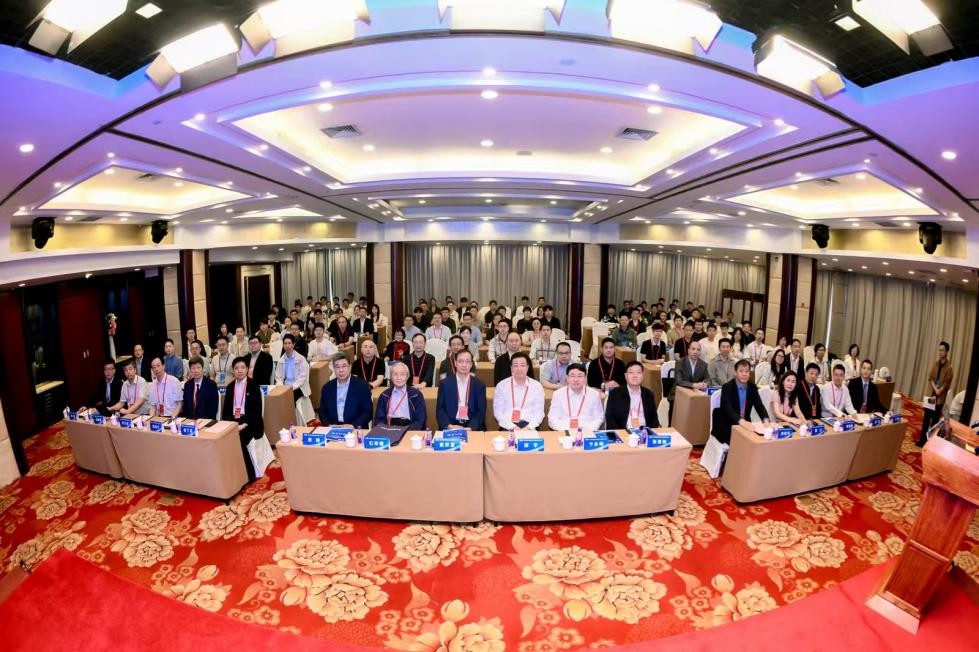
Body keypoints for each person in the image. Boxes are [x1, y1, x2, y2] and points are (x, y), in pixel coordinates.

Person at [222, 356, 265, 482]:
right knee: (221, 437)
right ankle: (228, 472)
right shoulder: (230, 387)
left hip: (251, 423)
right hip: (234, 421)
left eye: (242, 367)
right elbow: (225, 412)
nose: (239, 370)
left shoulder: (254, 385)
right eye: (236, 368)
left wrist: (244, 425)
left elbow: (256, 411)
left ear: (247, 369)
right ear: (233, 371)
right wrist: (232, 424)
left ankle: (248, 475)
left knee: (239, 437)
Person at [712, 359, 770, 444]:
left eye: (747, 371)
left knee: (760, 440)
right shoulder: (727, 387)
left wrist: (766, 419)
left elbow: (759, 405)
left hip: (745, 424)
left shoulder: (752, 387)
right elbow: (727, 409)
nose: (744, 374)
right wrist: (741, 421)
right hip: (728, 425)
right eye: (741, 371)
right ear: (735, 373)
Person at [318, 353, 373, 428]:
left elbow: (368, 412)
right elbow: (322, 412)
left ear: (350, 367)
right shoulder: (327, 387)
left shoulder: (362, 386)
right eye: (337, 367)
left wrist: (354, 425)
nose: (341, 370)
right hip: (333, 428)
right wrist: (329, 425)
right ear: (334, 369)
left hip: (355, 428)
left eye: (344, 366)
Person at [436, 349, 487, 430]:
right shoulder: (444, 384)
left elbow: (481, 411)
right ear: (455, 363)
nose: (464, 365)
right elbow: (440, 410)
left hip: (472, 427)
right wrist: (449, 426)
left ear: (471, 364)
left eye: (467, 361)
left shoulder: (479, 385)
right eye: (460, 361)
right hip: (451, 425)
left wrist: (471, 428)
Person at [492, 353, 545, 430]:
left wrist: (529, 427)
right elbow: (498, 412)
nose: (519, 369)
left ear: (527, 367)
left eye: (522, 365)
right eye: (516, 365)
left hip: (530, 427)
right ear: (511, 368)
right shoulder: (501, 386)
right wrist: (512, 427)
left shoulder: (537, 386)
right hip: (507, 427)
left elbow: (539, 413)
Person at [546, 363, 604, 431]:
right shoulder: (558, 394)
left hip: (587, 432)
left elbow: (599, 417)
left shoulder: (594, 394)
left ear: (585, 378)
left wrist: (587, 430)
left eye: (580, 376)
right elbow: (552, 418)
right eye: (572, 376)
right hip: (563, 431)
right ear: (567, 378)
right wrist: (567, 430)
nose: (576, 379)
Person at [605, 360, 660, 429]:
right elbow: (610, 420)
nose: (635, 376)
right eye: (631, 372)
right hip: (623, 432)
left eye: (638, 372)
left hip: (644, 432)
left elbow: (654, 420)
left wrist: (647, 432)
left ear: (643, 376)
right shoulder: (615, 394)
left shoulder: (648, 394)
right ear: (625, 376)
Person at [918, 341, 954, 446]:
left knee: (934, 422)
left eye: (942, 350)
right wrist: (935, 389)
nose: (940, 352)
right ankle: (922, 440)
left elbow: (946, 383)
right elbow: (930, 378)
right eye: (939, 350)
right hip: (931, 395)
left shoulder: (949, 368)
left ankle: (930, 444)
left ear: (947, 351)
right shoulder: (936, 364)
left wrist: (938, 392)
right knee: (926, 419)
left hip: (939, 399)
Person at [375, 362, 426, 430]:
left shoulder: (416, 395)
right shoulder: (384, 395)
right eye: (395, 374)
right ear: (391, 377)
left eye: (402, 374)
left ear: (407, 376)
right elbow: (379, 419)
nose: (399, 378)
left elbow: (420, 420)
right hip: (389, 427)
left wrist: (410, 430)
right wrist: (385, 430)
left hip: (410, 427)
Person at [670, 339, 709, 423]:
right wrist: (694, 385)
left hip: (696, 393)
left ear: (700, 352)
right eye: (693, 349)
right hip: (679, 392)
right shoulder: (680, 362)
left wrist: (704, 384)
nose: (695, 352)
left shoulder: (704, 364)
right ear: (688, 351)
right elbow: (679, 381)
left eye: (698, 350)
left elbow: (707, 379)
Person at [275, 333, 311, 406]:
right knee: (276, 396)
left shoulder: (301, 359)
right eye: (285, 343)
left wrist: (292, 387)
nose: (287, 345)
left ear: (293, 345)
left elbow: (302, 377)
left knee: (290, 396)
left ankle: (290, 413)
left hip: (299, 386)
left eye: (289, 343)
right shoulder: (281, 360)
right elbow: (278, 377)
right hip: (285, 386)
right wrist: (281, 386)